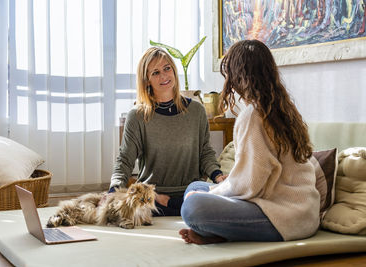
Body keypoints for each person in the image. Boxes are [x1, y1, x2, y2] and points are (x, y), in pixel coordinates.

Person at [179, 39, 320, 244]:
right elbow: (254, 179)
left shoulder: (253, 116)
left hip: (283, 217)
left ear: (239, 76)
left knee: (193, 206)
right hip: (306, 215)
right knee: (196, 186)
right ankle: (219, 232)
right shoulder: (285, 109)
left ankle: (219, 231)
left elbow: (249, 185)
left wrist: (216, 192)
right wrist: (216, 189)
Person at [110, 47, 225, 216]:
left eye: (167, 68)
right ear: (147, 80)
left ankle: (174, 204)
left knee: (217, 201)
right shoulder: (137, 116)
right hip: (152, 195)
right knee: (138, 203)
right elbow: (125, 160)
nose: (164, 76)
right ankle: (172, 205)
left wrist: (218, 176)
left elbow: (205, 152)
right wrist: (112, 192)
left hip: (190, 192)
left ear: (173, 69)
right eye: (155, 73)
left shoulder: (196, 111)